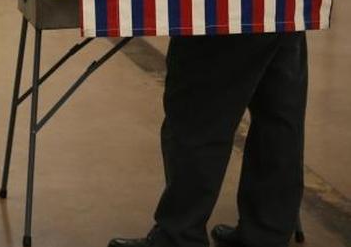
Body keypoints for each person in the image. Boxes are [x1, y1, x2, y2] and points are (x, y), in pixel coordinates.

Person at [109, 32, 308, 247]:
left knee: (197, 111)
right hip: (288, 13)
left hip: (227, 18)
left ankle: (179, 238)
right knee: (276, 115)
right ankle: (266, 232)